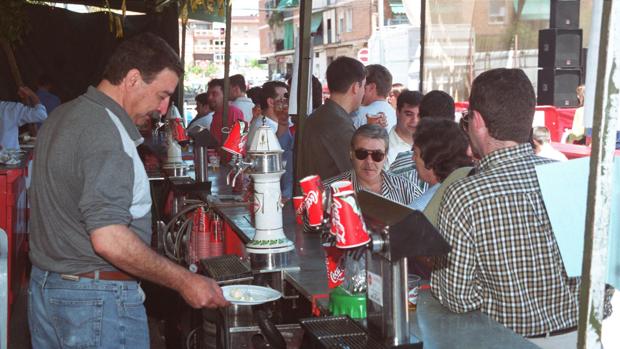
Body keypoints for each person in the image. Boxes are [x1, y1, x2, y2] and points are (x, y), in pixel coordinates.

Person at [27, 33, 229, 349]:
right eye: (161, 95)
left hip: (47, 291)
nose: (163, 109)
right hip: (96, 303)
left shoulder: (63, 115)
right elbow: (108, 238)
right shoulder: (106, 132)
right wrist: (185, 280)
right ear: (133, 79)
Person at [431, 68, 578, 345]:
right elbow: (602, 284)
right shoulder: (569, 178)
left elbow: (457, 296)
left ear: (477, 121)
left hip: (506, 340)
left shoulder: (465, 194)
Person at [297, 56, 366, 183]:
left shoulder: (317, 116)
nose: (364, 92)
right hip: (332, 199)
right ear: (356, 87)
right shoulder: (338, 124)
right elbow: (358, 173)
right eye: (363, 87)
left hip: (315, 196)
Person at [323, 124, 420, 205]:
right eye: (362, 153)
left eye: (377, 155)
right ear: (351, 153)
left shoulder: (408, 190)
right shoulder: (327, 192)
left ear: (385, 156)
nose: (369, 161)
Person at [409, 118, 472, 221]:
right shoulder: (467, 188)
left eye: (415, 153)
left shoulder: (420, 209)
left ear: (432, 158)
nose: (413, 158)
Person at [247, 81, 294, 199]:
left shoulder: (276, 122)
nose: (287, 101)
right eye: (283, 98)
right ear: (271, 102)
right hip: (269, 190)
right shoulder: (263, 127)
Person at [352, 64, 396, 130]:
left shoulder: (358, 113)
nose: (358, 89)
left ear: (371, 87)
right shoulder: (394, 113)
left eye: (362, 85)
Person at [386, 90, 422, 168]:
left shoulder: (429, 144)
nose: (415, 120)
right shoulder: (385, 147)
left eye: (419, 115)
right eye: (409, 114)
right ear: (397, 112)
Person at [206, 78, 245, 145]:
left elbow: (236, 144)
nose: (209, 97)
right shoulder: (216, 114)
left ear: (225, 95)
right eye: (208, 94)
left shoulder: (233, 112)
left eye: (214, 94)